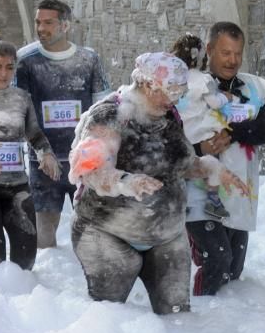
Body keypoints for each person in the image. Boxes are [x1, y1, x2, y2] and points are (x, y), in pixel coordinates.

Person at [68, 53, 248, 314]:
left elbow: (183, 164)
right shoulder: (110, 115)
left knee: (177, 314)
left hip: (166, 235)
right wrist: (126, 182)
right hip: (106, 233)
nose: (175, 99)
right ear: (145, 84)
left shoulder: (169, 117)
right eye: (170, 91)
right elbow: (89, 170)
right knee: (109, 316)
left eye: (180, 91)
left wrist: (215, 170)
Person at [185, 22, 265, 296]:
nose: (232, 60)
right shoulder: (193, 88)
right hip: (201, 194)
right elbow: (173, 137)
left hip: (239, 193)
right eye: (225, 53)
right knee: (216, 260)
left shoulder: (251, 87)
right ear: (210, 49)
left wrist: (233, 131)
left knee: (233, 271)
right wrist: (201, 148)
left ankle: (227, 323)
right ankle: (201, 319)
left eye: (237, 53)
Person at [16, 0, 110, 249]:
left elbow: (104, 107)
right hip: (44, 163)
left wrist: (101, 152)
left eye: (48, 22)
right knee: (44, 238)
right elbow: (20, 111)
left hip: (85, 163)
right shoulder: (25, 60)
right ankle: (45, 287)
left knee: (93, 237)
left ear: (65, 26)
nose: (41, 28)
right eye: (38, 22)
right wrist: (41, 151)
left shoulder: (89, 59)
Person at [0, 32, 60, 269]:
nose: (3, 73)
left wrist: (46, 153)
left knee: (26, 256)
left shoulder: (22, 98)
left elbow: (35, 134)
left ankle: (27, 302)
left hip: (17, 185)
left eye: (9, 67)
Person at [171, 33, 232, 219]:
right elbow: (213, 102)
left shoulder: (174, 79)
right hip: (200, 133)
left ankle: (179, 204)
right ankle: (213, 200)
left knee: (181, 169)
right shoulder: (204, 79)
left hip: (180, 132)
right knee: (212, 165)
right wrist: (225, 97)